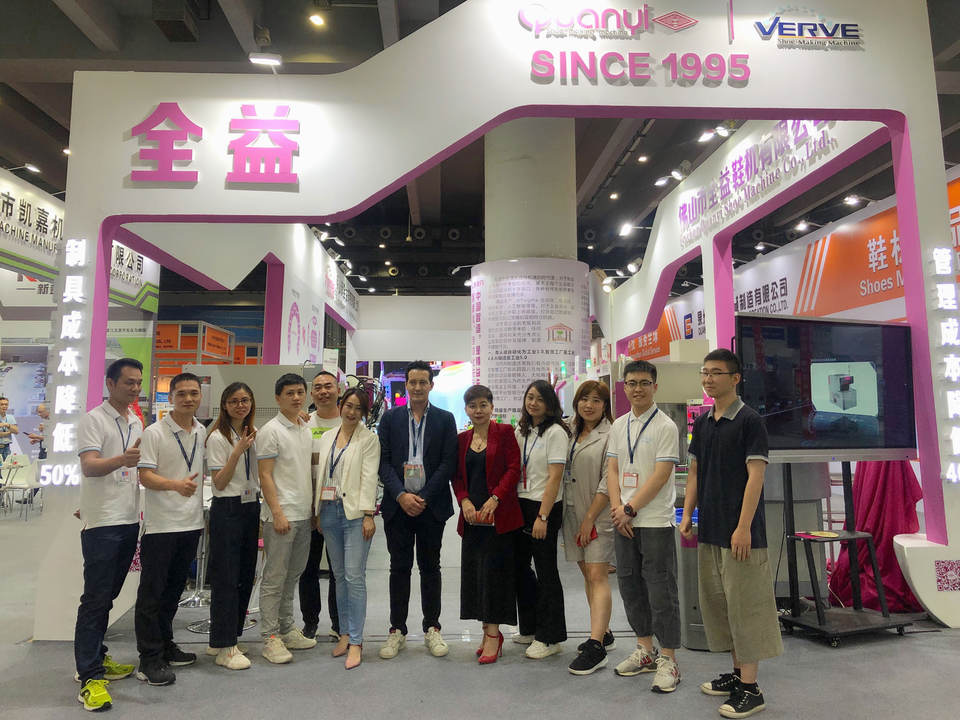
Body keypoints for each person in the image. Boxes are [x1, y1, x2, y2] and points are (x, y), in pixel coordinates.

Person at [679, 349, 782, 719]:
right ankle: (738, 675)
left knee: (746, 608)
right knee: (722, 606)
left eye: (716, 373)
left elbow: (756, 476)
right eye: (705, 372)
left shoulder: (750, 420)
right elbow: (694, 472)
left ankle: (751, 689)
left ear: (735, 378)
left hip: (742, 533)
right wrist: (687, 513)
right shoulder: (704, 422)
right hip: (711, 529)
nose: (708, 379)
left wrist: (743, 527)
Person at [603, 360, 683, 692]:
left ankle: (669, 658)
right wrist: (617, 508)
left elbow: (662, 475)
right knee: (630, 584)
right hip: (624, 519)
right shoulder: (619, 425)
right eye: (632, 383)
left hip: (654, 520)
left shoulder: (666, 426)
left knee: (660, 589)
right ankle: (645, 649)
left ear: (655, 387)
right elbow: (612, 469)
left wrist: (630, 508)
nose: (638, 388)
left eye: (644, 383)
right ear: (624, 387)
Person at [73, 359, 143, 712]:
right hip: (102, 523)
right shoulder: (93, 419)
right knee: (96, 599)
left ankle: (96, 657)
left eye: (138, 382)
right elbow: (89, 466)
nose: (135, 388)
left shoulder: (135, 421)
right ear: (110, 383)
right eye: (129, 382)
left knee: (109, 595)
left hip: (128, 519)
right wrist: (122, 460)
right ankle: (89, 677)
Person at [377, 360, 457, 660]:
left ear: (431, 385)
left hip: (431, 506)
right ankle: (397, 629)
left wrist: (422, 496)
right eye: (413, 382)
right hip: (397, 507)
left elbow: (448, 463)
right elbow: (383, 462)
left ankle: (432, 627)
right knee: (398, 568)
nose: (418, 387)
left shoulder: (445, 419)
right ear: (406, 384)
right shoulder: (390, 419)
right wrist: (400, 495)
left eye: (423, 382)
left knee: (430, 568)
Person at [135, 372, 206, 686]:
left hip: (191, 523)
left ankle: (165, 645)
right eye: (182, 393)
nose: (188, 399)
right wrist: (176, 485)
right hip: (161, 525)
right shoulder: (155, 432)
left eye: (194, 393)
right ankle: (148, 659)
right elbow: (145, 476)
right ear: (171, 397)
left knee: (174, 591)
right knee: (152, 594)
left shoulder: (201, 430)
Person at [452, 385, 523, 665]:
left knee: (494, 577)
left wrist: (496, 499)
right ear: (466, 409)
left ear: (492, 407)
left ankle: (493, 635)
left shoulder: (504, 433)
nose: (478, 410)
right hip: (473, 520)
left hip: (499, 518)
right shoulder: (462, 439)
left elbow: (513, 469)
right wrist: (464, 501)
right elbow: (457, 476)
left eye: (483, 405)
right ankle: (486, 632)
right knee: (476, 577)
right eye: (472, 406)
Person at [314, 387, 380, 669]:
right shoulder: (328, 436)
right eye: (348, 406)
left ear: (364, 412)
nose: (352, 412)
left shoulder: (369, 439)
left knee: (354, 577)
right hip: (328, 511)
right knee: (339, 576)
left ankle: (356, 641)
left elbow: (369, 477)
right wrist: (318, 511)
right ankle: (343, 633)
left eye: (358, 408)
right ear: (341, 406)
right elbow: (321, 474)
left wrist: (368, 514)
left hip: (355, 514)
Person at [257, 373, 317, 664]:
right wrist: (277, 512)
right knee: (274, 578)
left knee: (293, 575)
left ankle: (286, 627)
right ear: (277, 398)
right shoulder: (270, 431)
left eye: (300, 392)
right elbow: (265, 475)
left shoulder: (304, 427)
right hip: (280, 517)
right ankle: (269, 637)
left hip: (303, 514)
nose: (296, 397)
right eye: (290, 393)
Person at [563, 380, 616, 675]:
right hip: (572, 511)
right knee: (587, 573)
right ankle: (603, 632)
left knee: (597, 575)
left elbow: (608, 481)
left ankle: (596, 647)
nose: (589, 405)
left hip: (598, 515)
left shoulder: (611, 434)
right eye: (585, 399)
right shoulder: (570, 430)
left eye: (596, 400)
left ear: (605, 405)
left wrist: (589, 519)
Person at [514, 379, 570, 659]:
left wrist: (543, 516)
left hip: (544, 507)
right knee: (521, 569)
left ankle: (550, 637)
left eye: (539, 398)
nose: (533, 403)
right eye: (530, 397)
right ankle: (530, 627)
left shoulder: (556, 432)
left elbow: (554, 477)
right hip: (521, 503)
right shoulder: (522, 430)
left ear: (549, 404)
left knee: (546, 572)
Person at [205, 382, 259, 670]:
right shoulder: (217, 437)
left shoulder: (251, 432)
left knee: (245, 574)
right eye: (234, 401)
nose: (241, 405)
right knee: (226, 577)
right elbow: (220, 482)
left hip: (250, 506)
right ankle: (225, 645)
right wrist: (237, 452)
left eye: (245, 400)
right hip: (227, 508)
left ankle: (227, 638)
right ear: (225, 405)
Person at [300, 370, 340, 642]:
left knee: (338, 570)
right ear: (312, 393)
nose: (324, 391)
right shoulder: (303, 423)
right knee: (308, 569)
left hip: (339, 508)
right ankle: (310, 623)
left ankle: (339, 623)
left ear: (338, 390)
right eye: (318, 387)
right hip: (308, 508)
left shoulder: (348, 421)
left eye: (329, 386)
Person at [0, 396, 19, 477]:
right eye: (2, 404)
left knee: (6, 471)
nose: (4, 406)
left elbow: (16, 431)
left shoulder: (10, 417)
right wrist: (8, 432)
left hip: (6, 448)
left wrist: (7, 425)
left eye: (6, 404)